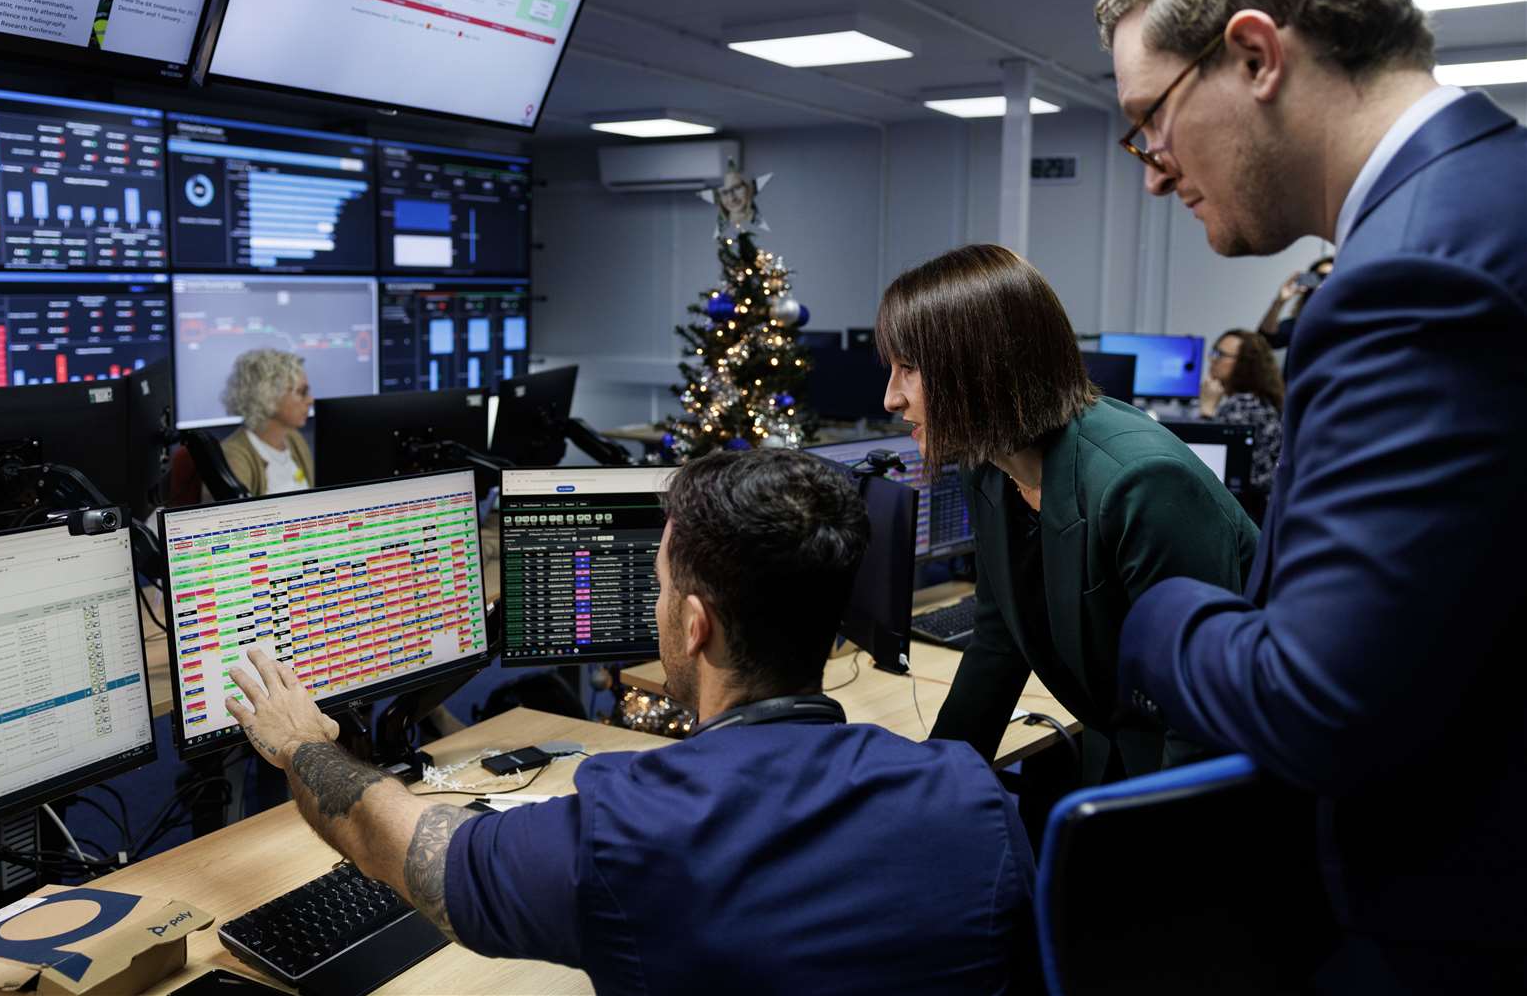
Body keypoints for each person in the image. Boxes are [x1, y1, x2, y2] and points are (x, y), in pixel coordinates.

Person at [1098, 0, 1527, 985]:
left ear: (1253, 56)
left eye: (1147, 122)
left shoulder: (1411, 276)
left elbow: (1318, 706)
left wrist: (1155, 611)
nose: (1151, 174)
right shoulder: (1485, 197)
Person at [223, 448, 1040, 995]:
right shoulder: (972, 795)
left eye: (657, 589)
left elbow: (389, 843)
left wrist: (297, 743)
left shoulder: (633, 830)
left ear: (692, 626)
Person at [878, 244, 1258, 784]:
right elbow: (999, 639)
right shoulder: (988, 462)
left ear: (983, 367)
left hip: (1215, 777)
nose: (892, 397)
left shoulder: (1141, 482)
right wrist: (937, 786)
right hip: (1120, 741)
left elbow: (1202, 718)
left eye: (910, 368)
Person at [1198, 328, 1283, 511]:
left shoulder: (1242, 406)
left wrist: (1207, 411)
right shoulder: (1258, 401)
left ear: (1244, 364)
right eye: (1214, 352)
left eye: (1221, 355)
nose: (1213, 359)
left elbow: (1209, 463)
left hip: (1244, 509)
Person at [218, 349, 315, 497]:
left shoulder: (294, 439)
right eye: (302, 392)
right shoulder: (234, 456)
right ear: (268, 395)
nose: (310, 400)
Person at [1257, 256, 1332, 350]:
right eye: (1320, 278)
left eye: (1330, 277)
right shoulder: (1301, 325)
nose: (1324, 283)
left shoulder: (1352, 319)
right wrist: (1280, 301)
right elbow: (1264, 341)